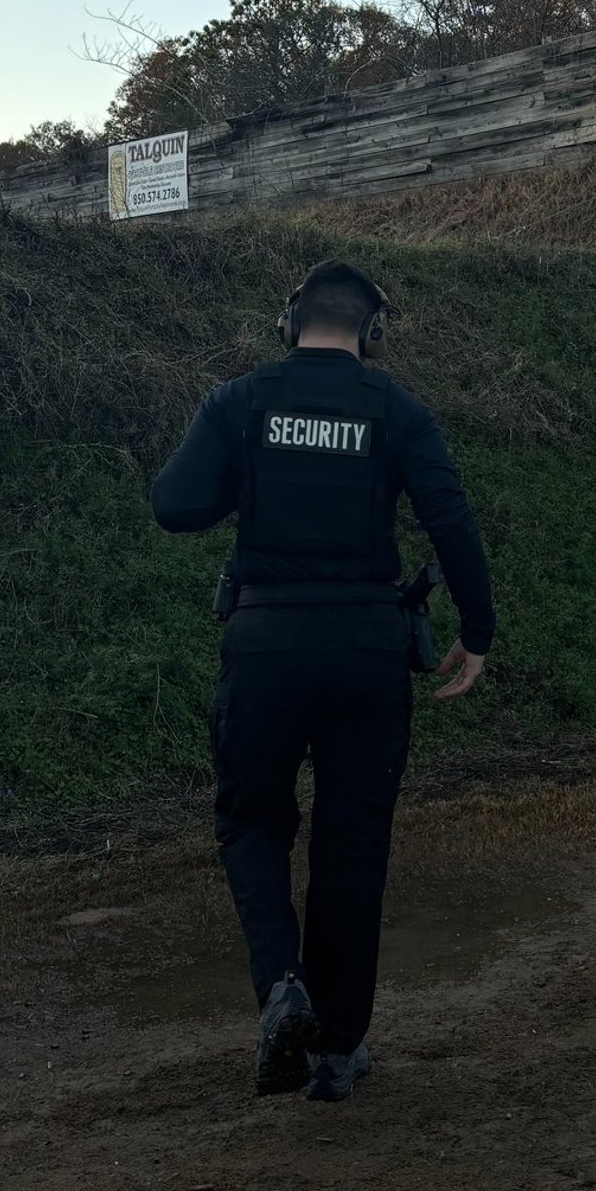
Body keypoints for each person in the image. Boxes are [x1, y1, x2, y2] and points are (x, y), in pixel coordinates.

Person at [150, 259, 494, 1103]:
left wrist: (248, 473)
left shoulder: (238, 403)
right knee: (353, 844)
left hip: (264, 644)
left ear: (288, 322)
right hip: (369, 652)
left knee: (251, 821)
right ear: (373, 334)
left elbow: (174, 505)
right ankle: (337, 1052)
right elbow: (450, 517)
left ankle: (282, 989)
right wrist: (476, 634)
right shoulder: (397, 410)